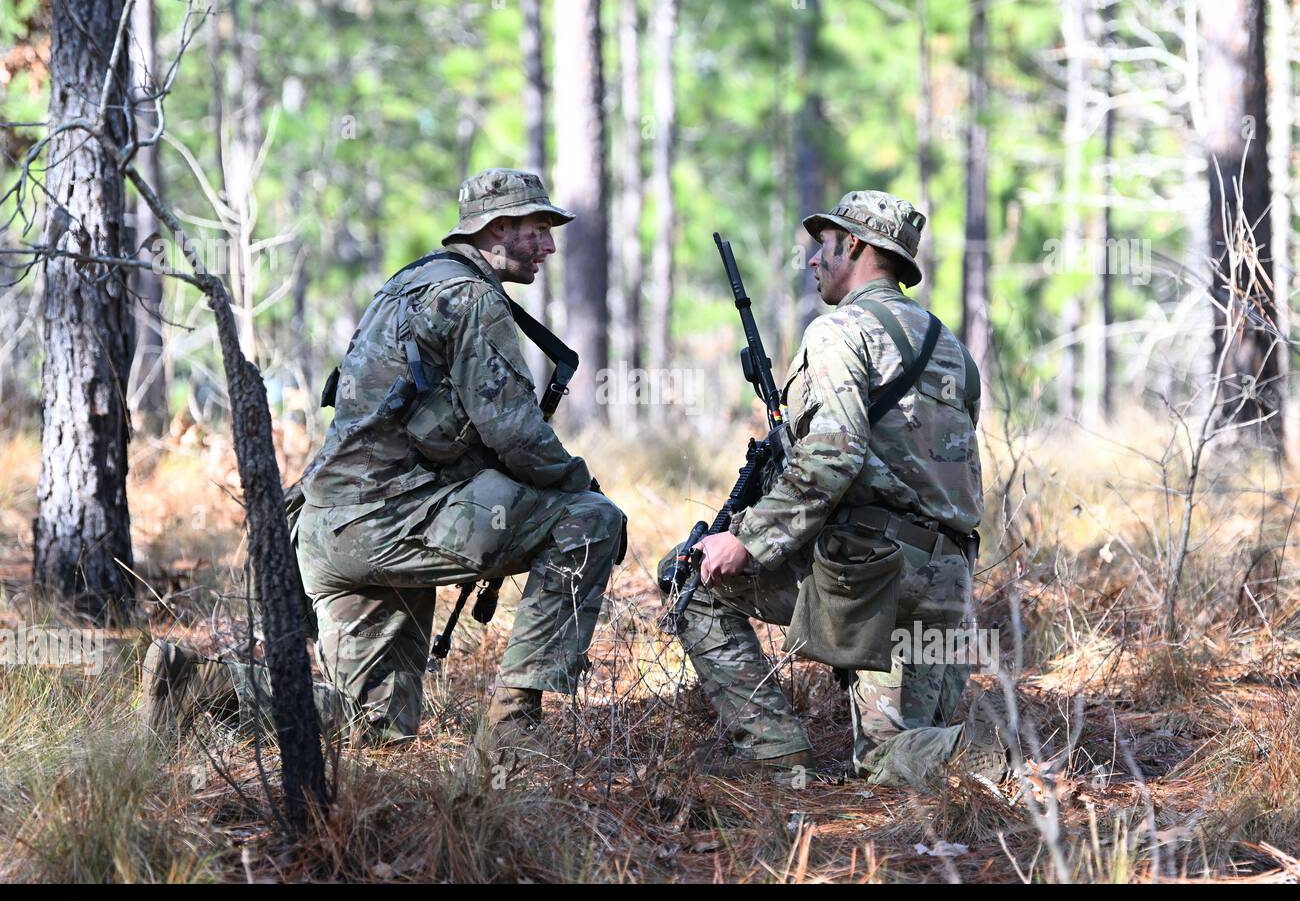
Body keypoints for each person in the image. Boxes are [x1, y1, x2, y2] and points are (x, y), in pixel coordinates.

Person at [143, 168, 626, 745]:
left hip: (328, 531)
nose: (548, 245)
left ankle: (198, 687)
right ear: (497, 229)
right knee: (592, 521)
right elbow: (517, 434)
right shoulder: (473, 298)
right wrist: (580, 486)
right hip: (395, 521)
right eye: (536, 229)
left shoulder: (406, 286)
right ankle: (513, 731)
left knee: (373, 731)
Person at [657, 189, 1008, 785]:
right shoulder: (951, 348)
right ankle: (974, 751)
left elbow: (833, 455)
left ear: (856, 246)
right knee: (893, 757)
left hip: (870, 576)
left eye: (823, 246)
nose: (815, 261)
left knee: (693, 581)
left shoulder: (840, 332)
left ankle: (779, 761)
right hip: (948, 581)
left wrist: (748, 541)